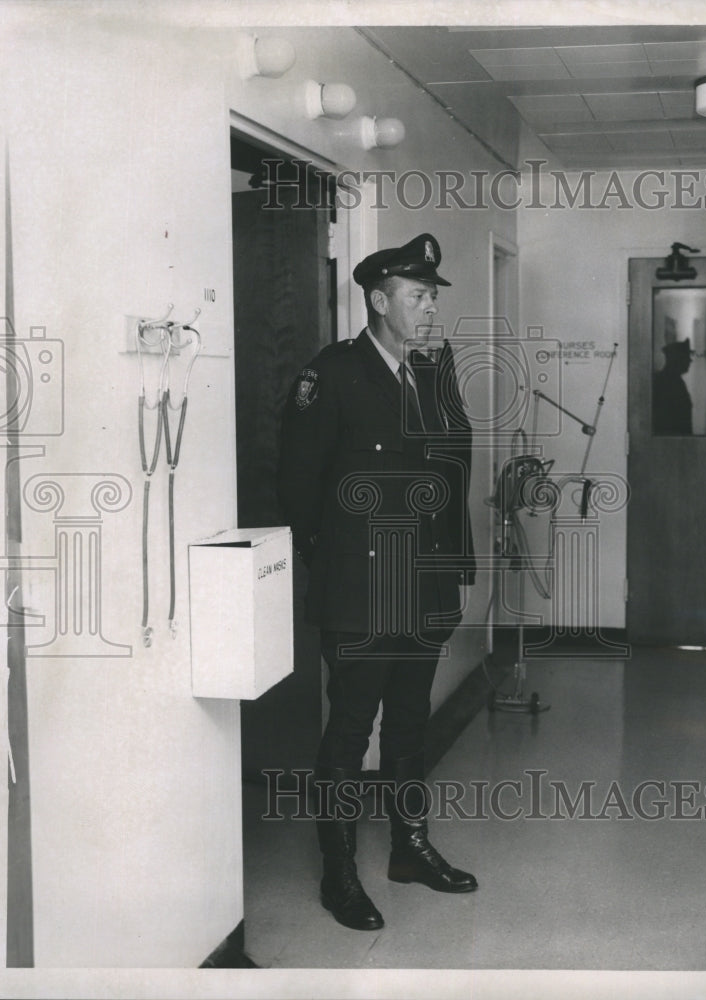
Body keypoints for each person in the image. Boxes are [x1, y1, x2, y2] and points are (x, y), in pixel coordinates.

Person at [278, 233, 477, 932]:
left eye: (431, 298)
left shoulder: (432, 368)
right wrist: (330, 570)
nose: (429, 310)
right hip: (359, 590)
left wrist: (454, 569)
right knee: (350, 733)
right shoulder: (331, 373)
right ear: (378, 299)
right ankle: (339, 875)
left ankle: (410, 851)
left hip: (421, 587)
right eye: (418, 297)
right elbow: (298, 490)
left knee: (411, 724)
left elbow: (454, 473)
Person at [652, 338, 693, 435]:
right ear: (677, 359)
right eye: (686, 357)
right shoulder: (666, 383)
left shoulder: (675, 381)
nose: (690, 361)